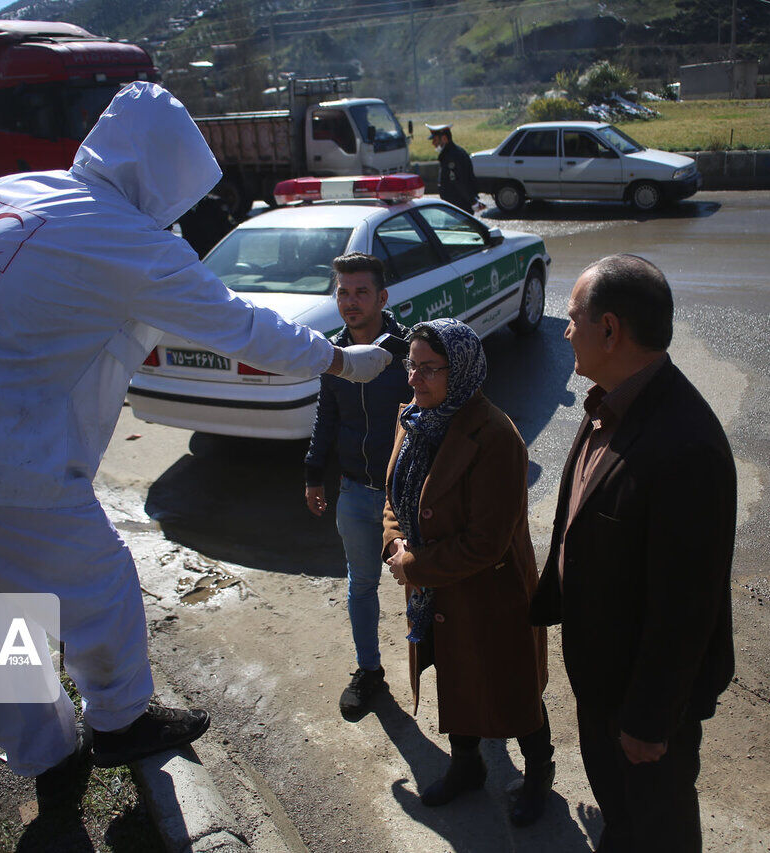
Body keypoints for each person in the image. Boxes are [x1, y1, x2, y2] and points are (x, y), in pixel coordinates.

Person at [0, 82, 390, 808]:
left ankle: (45, 753)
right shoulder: (132, 242)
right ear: (162, 174)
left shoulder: (0, 194)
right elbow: (243, 328)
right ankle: (121, 721)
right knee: (99, 586)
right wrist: (340, 361)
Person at [529, 254, 736, 852]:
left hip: (643, 704)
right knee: (622, 815)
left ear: (610, 330)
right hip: (602, 681)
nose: (565, 331)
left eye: (573, 318)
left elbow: (685, 607)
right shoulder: (610, 402)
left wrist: (648, 721)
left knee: (658, 824)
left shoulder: (685, 443)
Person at [383, 318, 555, 827]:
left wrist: (417, 565)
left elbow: (487, 540)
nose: (415, 378)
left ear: (460, 372)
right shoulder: (412, 418)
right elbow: (394, 495)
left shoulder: (495, 435)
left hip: (491, 593)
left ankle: (539, 772)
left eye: (430, 369)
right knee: (455, 675)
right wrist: (395, 541)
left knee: (512, 686)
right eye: (411, 365)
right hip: (438, 594)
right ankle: (467, 767)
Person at [304, 252, 412, 720]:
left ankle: (448, 677)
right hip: (353, 491)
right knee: (361, 587)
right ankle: (370, 671)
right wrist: (313, 474)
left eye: (361, 292)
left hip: (405, 497)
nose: (350, 302)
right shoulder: (335, 354)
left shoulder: (408, 352)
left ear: (382, 297)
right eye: (343, 292)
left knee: (424, 590)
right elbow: (326, 416)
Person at [425, 123, 478, 215]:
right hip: (453, 207)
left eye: (435, 139)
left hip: (459, 207)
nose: (433, 143)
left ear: (445, 139)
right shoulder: (449, 154)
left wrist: (472, 201)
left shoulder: (452, 156)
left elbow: (460, 182)